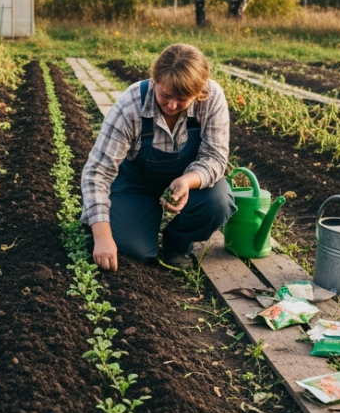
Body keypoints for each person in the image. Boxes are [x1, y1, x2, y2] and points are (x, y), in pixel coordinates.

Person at [81, 43, 234, 271]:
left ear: (199, 91)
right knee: (133, 250)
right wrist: (102, 237)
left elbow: (215, 157)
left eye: (182, 98)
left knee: (218, 203)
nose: (172, 105)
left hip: (186, 181)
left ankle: (177, 242)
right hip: (135, 184)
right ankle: (134, 217)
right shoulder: (131, 105)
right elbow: (97, 172)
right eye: (166, 95)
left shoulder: (211, 99)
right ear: (155, 81)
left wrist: (187, 181)